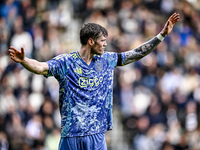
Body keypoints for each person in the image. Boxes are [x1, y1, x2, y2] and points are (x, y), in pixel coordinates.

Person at [8, 13, 180, 150]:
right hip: (71, 135)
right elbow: (41, 67)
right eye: (102, 40)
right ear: (90, 41)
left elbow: (135, 53)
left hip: (96, 135)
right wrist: (24, 61)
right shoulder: (65, 62)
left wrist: (161, 36)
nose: (106, 44)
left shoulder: (107, 60)